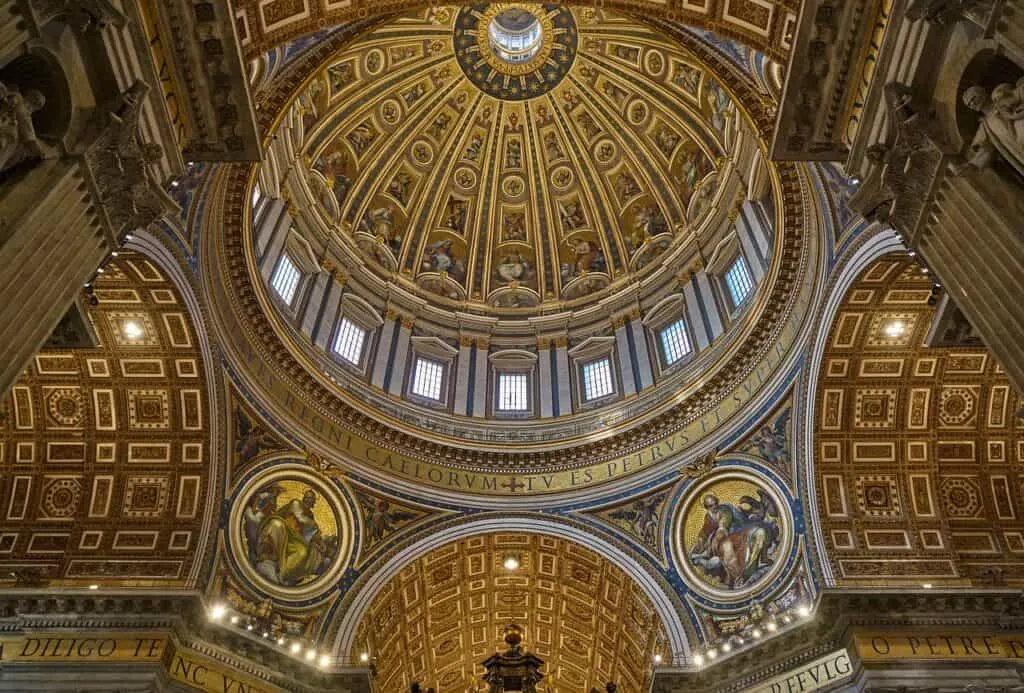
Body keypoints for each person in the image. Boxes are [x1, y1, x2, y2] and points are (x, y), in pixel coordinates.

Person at [961, 83, 1024, 178]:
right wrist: (974, 164)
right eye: (969, 104)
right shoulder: (985, 126)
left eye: (973, 98)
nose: (972, 104)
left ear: (982, 93)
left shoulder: (1003, 100)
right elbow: (987, 149)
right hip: (1018, 149)